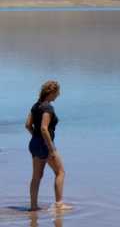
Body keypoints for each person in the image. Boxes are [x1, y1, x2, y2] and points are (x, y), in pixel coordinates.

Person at [24, 80, 68, 212]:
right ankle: (59, 204)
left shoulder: (35, 106)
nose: (58, 95)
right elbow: (44, 128)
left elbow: (27, 125)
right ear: (51, 92)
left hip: (34, 143)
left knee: (36, 176)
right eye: (57, 92)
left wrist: (35, 137)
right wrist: (51, 148)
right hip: (45, 144)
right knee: (60, 172)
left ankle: (33, 206)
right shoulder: (48, 108)